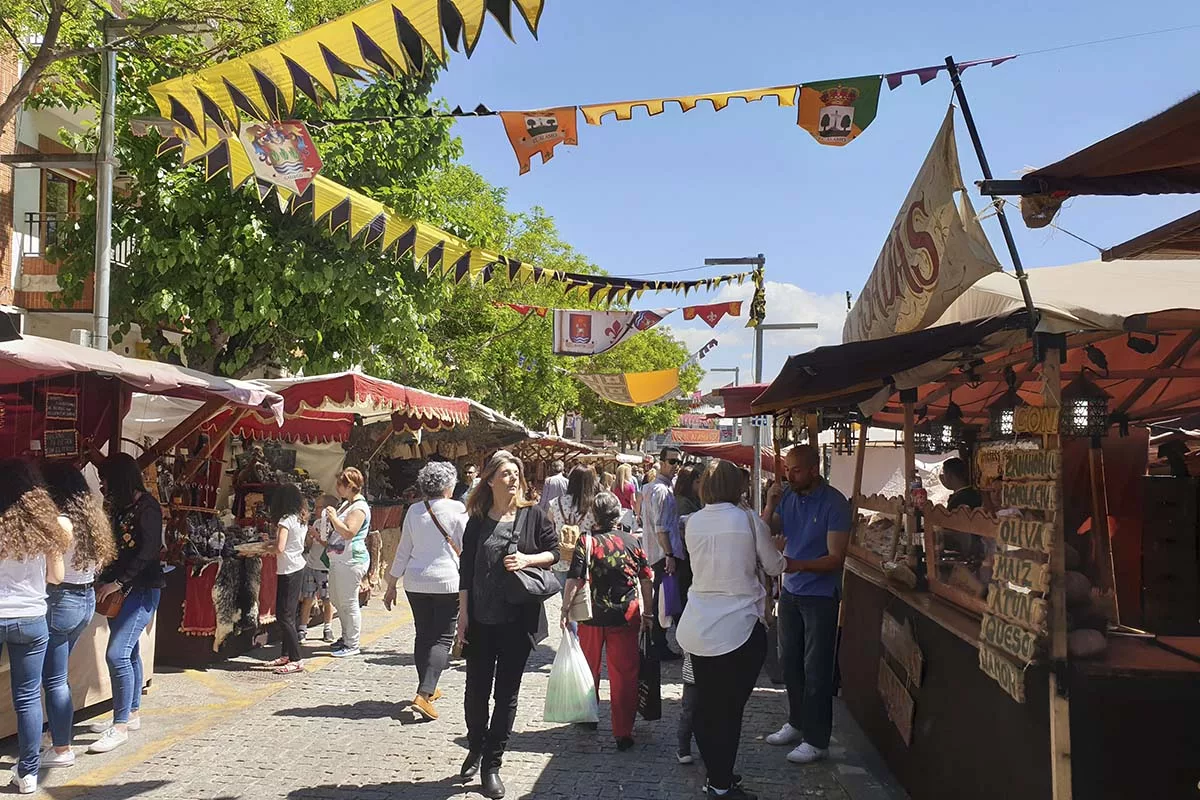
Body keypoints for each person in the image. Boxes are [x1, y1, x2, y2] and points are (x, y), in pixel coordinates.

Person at [676, 460, 790, 799]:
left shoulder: (692, 522)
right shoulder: (749, 520)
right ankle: (720, 783)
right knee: (729, 711)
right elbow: (774, 566)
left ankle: (717, 775)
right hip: (739, 628)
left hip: (699, 626)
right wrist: (780, 552)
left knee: (707, 707)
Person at [457, 451, 558, 799]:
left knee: (506, 695)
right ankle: (476, 744)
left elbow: (555, 552)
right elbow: (466, 570)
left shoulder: (533, 514)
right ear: (489, 480)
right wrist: (463, 614)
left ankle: (492, 765)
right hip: (481, 621)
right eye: (505, 473)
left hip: (517, 621)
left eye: (516, 473)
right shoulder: (476, 520)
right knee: (475, 693)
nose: (513, 478)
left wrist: (528, 559)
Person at [762, 445, 850, 765]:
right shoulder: (788, 496)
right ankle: (797, 722)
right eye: (787, 470)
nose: (789, 476)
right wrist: (770, 504)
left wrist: (795, 565)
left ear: (814, 469)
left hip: (820, 596)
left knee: (817, 669)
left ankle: (816, 739)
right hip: (791, 592)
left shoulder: (835, 503)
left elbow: (836, 558)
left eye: (796, 470)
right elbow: (764, 531)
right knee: (790, 663)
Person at [560, 492, 654, 751]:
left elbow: (575, 578)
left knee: (589, 667)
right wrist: (648, 613)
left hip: (591, 614)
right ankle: (623, 732)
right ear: (617, 515)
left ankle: (588, 715)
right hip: (625, 615)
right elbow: (646, 578)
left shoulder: (586, 541)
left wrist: (565, 609)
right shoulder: (632, 542)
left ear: (594, 515)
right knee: (624, 674)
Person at [40, 463, 116, 768]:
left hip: (62, 599)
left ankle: (61, 748)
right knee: (58, 676)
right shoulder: (91, 519)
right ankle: (55, 734)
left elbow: (52, 573)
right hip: (83, 599)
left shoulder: (60, 523)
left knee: (54, 679)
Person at [0, 461, 68, 793]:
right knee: (27, 698)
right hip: (31, 618)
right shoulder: (46, 527)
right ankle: (28, 774)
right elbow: (57, 577)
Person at [91, 454, 164, 754]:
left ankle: (119, 725)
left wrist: (118, 582)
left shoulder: (148, 507)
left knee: (117, 653)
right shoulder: (117, 506)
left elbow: (148, 551)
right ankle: (130, 713)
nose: (102, 486)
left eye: (105, 480)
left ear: (119, 479)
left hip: (141, 590)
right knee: (130, 652)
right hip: (118, 591)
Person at [384, 462, 466, 721]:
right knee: (442, 638)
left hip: (415, 581)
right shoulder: (458, 509)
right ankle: (424, 693)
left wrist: (391, 584)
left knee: (423, 635)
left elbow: (403, 550)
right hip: (447, 581)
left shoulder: (414, 510)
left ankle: (428, 687)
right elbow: (466, 546)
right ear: (449, 486)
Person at [641, 447, 686, 660]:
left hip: (658, 552)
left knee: (666, 599)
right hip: (664, 554)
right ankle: (658, 643)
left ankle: (659, 642)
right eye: (672, 461)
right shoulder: (661, 490)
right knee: (666, 599)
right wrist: (669, 554)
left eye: (679, 462)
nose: (676, 466)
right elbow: (660, 528)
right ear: (662, 462)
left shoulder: (652, 488)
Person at [324, 467, 371, 658]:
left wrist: (333, 518)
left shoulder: (359, 508)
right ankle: (345, 636)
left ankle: (352, 643)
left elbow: (349, 532)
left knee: (348, 601)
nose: (337, 488)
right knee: (337, 599)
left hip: (351, 560)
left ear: (350, 486)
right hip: (339, 559)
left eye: (340, 484)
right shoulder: (347, 504)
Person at [266, 484, 307, 674]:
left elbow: (280, 547)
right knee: (289, 613)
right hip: (297, 566)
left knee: (284, 616)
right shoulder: (299, 519)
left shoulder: (285, 520)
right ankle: (286, 654)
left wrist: (266, 547)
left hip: (288, 569)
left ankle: (296, 659)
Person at [547, 466, 599, 590]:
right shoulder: (594, 505)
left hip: (562, 556)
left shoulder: (556, 502)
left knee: (565, 595)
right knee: (585, 596)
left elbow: (548, 527)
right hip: (586, 558)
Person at [298, 494, 337, 643]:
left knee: (327, 599)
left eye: (319, 507)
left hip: (324, 567)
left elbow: (331, 546)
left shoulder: (333, 525)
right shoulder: (316, 522)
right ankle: (302, 628)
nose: (316, 510)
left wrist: (317, 536)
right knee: (308, 597)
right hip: (311, 564)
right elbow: (309, 545)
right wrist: (309, 537)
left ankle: (328, 628)